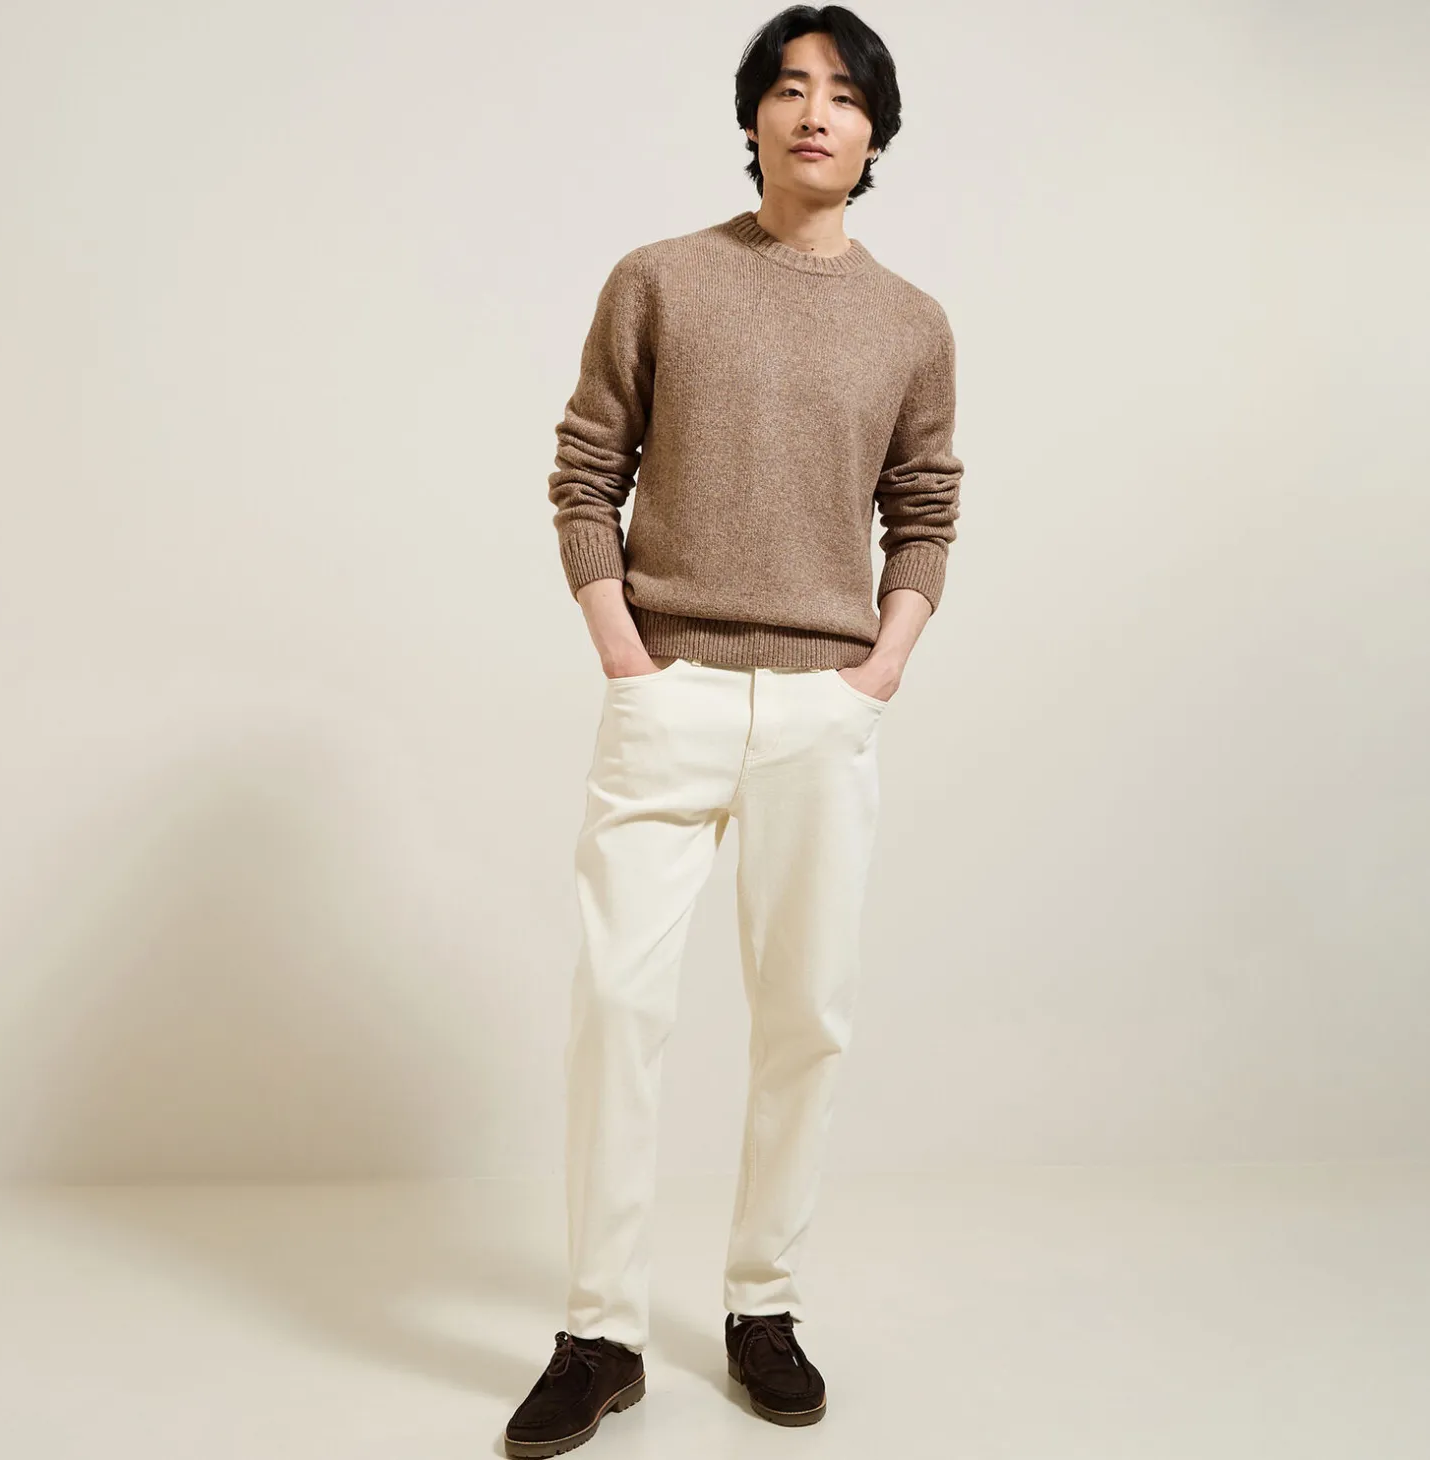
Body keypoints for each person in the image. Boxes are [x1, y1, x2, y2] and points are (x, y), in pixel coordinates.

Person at [504, 6, 963, 1455]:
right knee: (617, 1005)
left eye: (846, 95)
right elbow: (586, 469)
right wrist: (624, 653)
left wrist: (880, 668)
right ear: (754, 116)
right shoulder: (660, 279)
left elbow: (925, 506)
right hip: (671, 689)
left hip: (824, 704)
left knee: (805, 1017)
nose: (816, 112)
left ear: (876, 134)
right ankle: (600, 1331)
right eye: (791, 87)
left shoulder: (912, 323)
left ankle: (764, 1305)